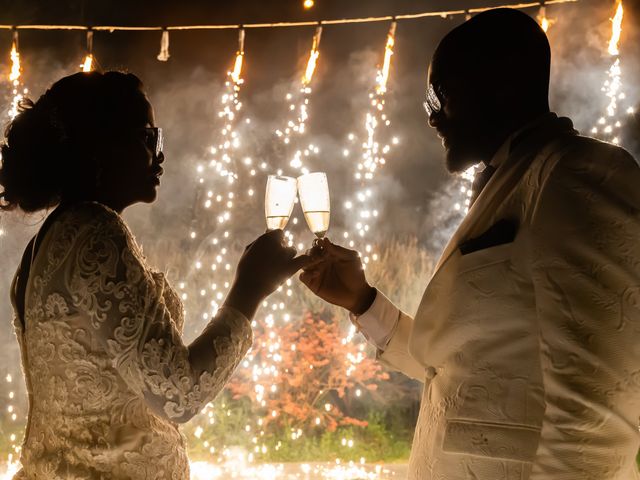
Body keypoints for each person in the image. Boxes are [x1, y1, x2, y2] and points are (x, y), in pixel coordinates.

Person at [302, 8, 640, 479]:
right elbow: (457, 371)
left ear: (500, 86)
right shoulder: (509, 181)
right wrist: (363, 301)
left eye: (440, 96)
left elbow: (599, 410)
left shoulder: (579, 174)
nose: (432, 117)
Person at [0, 71, 311, 479]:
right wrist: (249, 291)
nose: (159, 153)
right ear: (101, 148)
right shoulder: (95, 233)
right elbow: (178, 394)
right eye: (147, 137)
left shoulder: (49, 241)